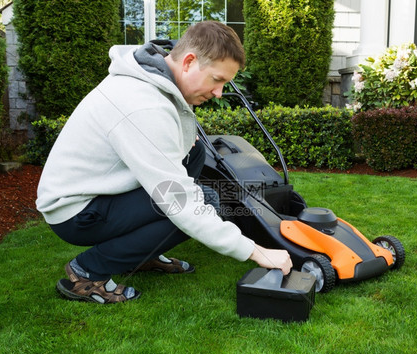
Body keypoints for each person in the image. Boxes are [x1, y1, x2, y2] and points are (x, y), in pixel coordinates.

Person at [36, 21, 292, 304]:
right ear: (189, 62)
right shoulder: (142, 104)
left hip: (100, 192)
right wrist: (256, 251)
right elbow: (181, 202)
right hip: (76, 211)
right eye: (217, 80)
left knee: (193, 154)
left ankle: (142, 254)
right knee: (202, 203)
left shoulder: (154, 78)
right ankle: (88, 272)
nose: (219, 92)